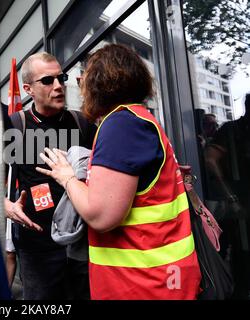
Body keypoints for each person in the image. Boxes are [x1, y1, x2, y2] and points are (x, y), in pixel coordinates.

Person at [36, 44, 202, 299]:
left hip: (142, 285)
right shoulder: (141, 119)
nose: (79, 85)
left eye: (83, 78)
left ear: (98, 83)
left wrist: (66, 175)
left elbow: (101, 216)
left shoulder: (121, 125)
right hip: (163, 279)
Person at [4, 52, 97, 300]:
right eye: (47, 81)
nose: (58, 86)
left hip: (82, 245)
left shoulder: (83, 124)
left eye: (61, 78)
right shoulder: (14, 125)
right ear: (28, 89)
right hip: (37, 250)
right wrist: (6, 206)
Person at [204, 93, 250, 298]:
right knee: (241, 258)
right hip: (240, 208)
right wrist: (230, 196)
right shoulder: (233, 131)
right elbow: (210, 160)